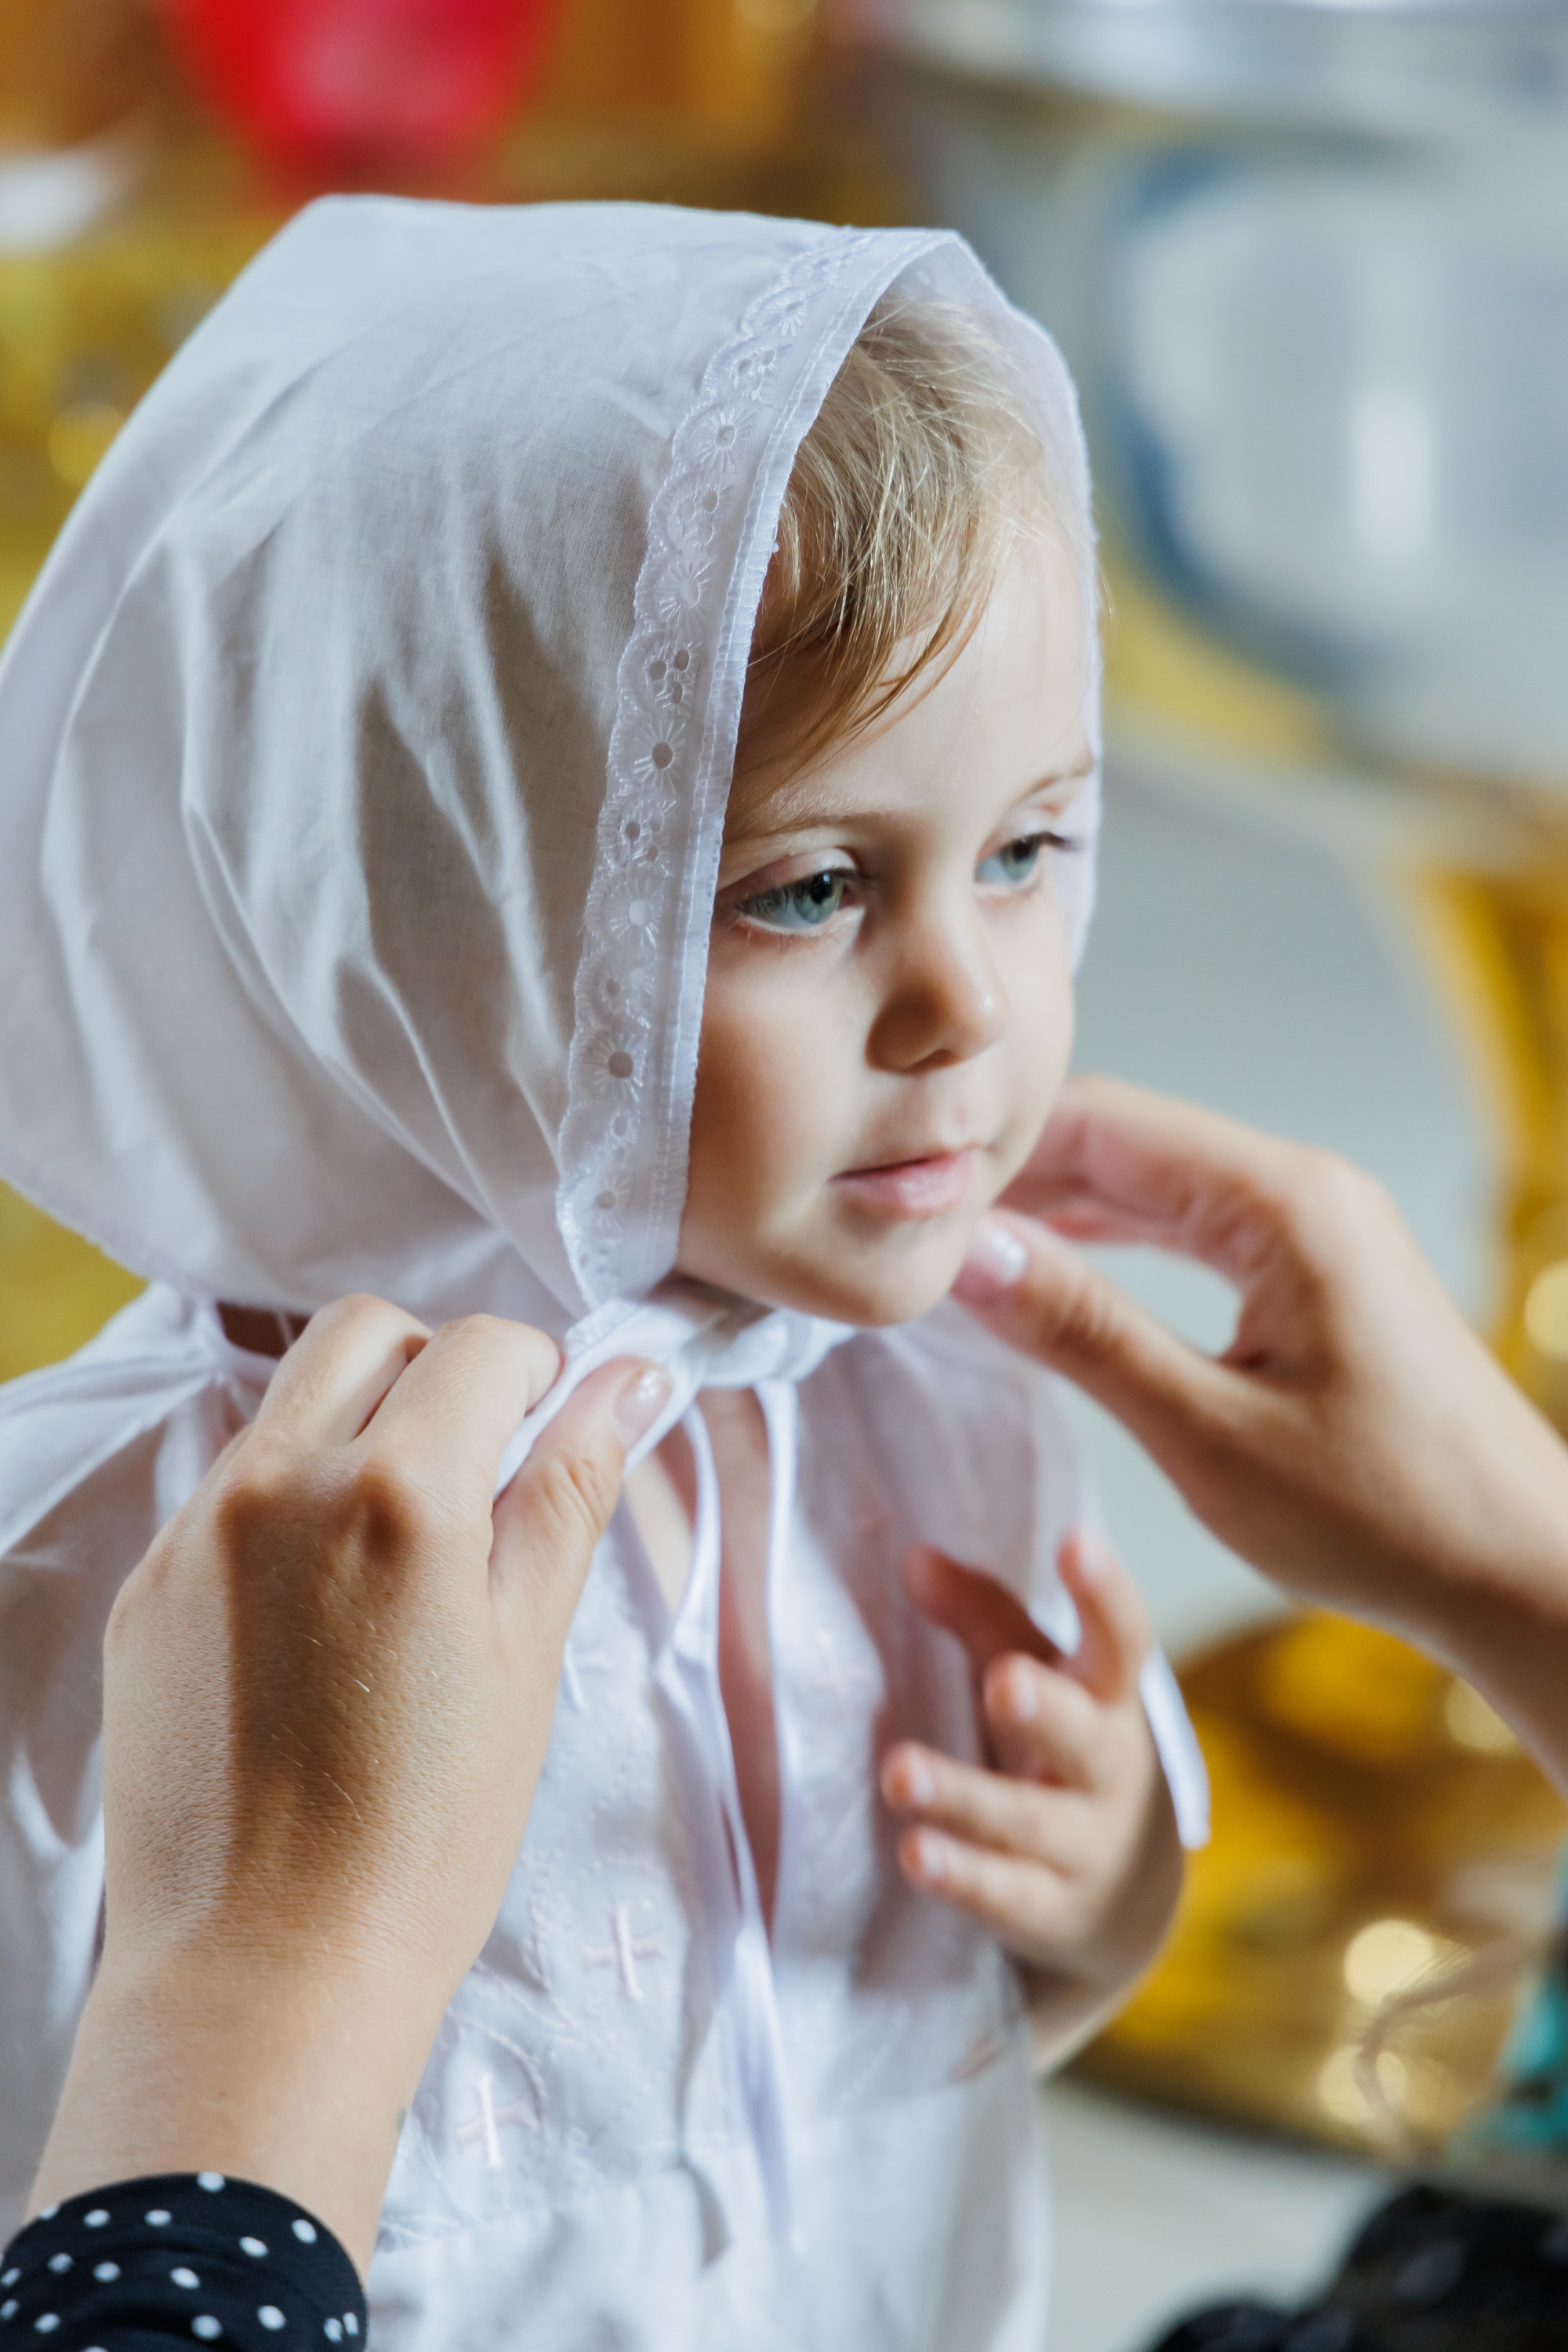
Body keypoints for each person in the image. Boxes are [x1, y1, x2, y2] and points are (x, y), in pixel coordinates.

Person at [0, 200, 1205, 2352]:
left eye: (1029, 846)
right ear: (426, 904)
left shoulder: (938, 1415)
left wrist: (1104, 1889)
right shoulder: (106, 1587)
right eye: (809, 887)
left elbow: (911, 2070)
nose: (968, 1002)